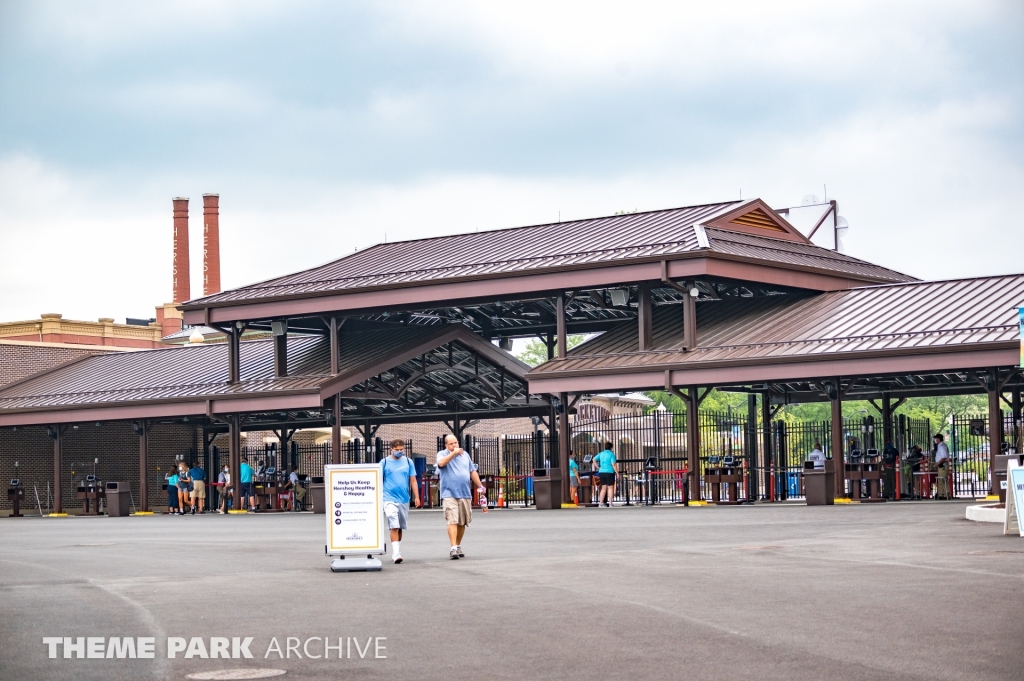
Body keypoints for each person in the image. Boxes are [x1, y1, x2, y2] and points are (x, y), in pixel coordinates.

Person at [435, 434, 484, 560]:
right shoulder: (442, 454)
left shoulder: (465, 455)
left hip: (465, 493)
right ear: (446, 445)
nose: (454, 445)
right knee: (452, 520)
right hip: (449, 493)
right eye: (451, 443)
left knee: (462, 522)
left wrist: (480, 486)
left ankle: (457, 545)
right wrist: (453, 454)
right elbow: (441, 464)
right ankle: (452, 548)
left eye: (455, 442)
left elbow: (472, 471)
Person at [380, 439, 422, 563]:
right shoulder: (385, 462)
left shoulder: (408, 462)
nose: (399, 452)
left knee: (400, 527)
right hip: (388, 498)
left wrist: (417, 497)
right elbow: (378, 479)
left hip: (403, 498)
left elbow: (413, 480)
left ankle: (397, 549)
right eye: (397, 450)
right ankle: (396, 553)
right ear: (391, 449)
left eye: (401, 450)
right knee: (394, 524)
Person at [592, 443, 617, 507]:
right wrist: (617, 472)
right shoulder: (611, 454)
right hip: (609, 472)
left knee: (603, 488)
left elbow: (593, 459)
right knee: (610, 487)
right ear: (611, 447)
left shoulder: (601, 453)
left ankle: (600, 503)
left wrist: (597, 467)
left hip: (602, 472)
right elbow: (613, 464)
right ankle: (610, 503)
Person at [934, 434, 951, 499]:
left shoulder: (942, 446)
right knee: (942, 480)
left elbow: (944, 457)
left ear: (939, 439)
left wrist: (938, 463)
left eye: (936, 439)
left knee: (942, 479)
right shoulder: (941, 446)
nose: (935, 440)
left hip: (942, 465)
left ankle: (943, 494)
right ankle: (942, 494)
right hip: (942, 465)